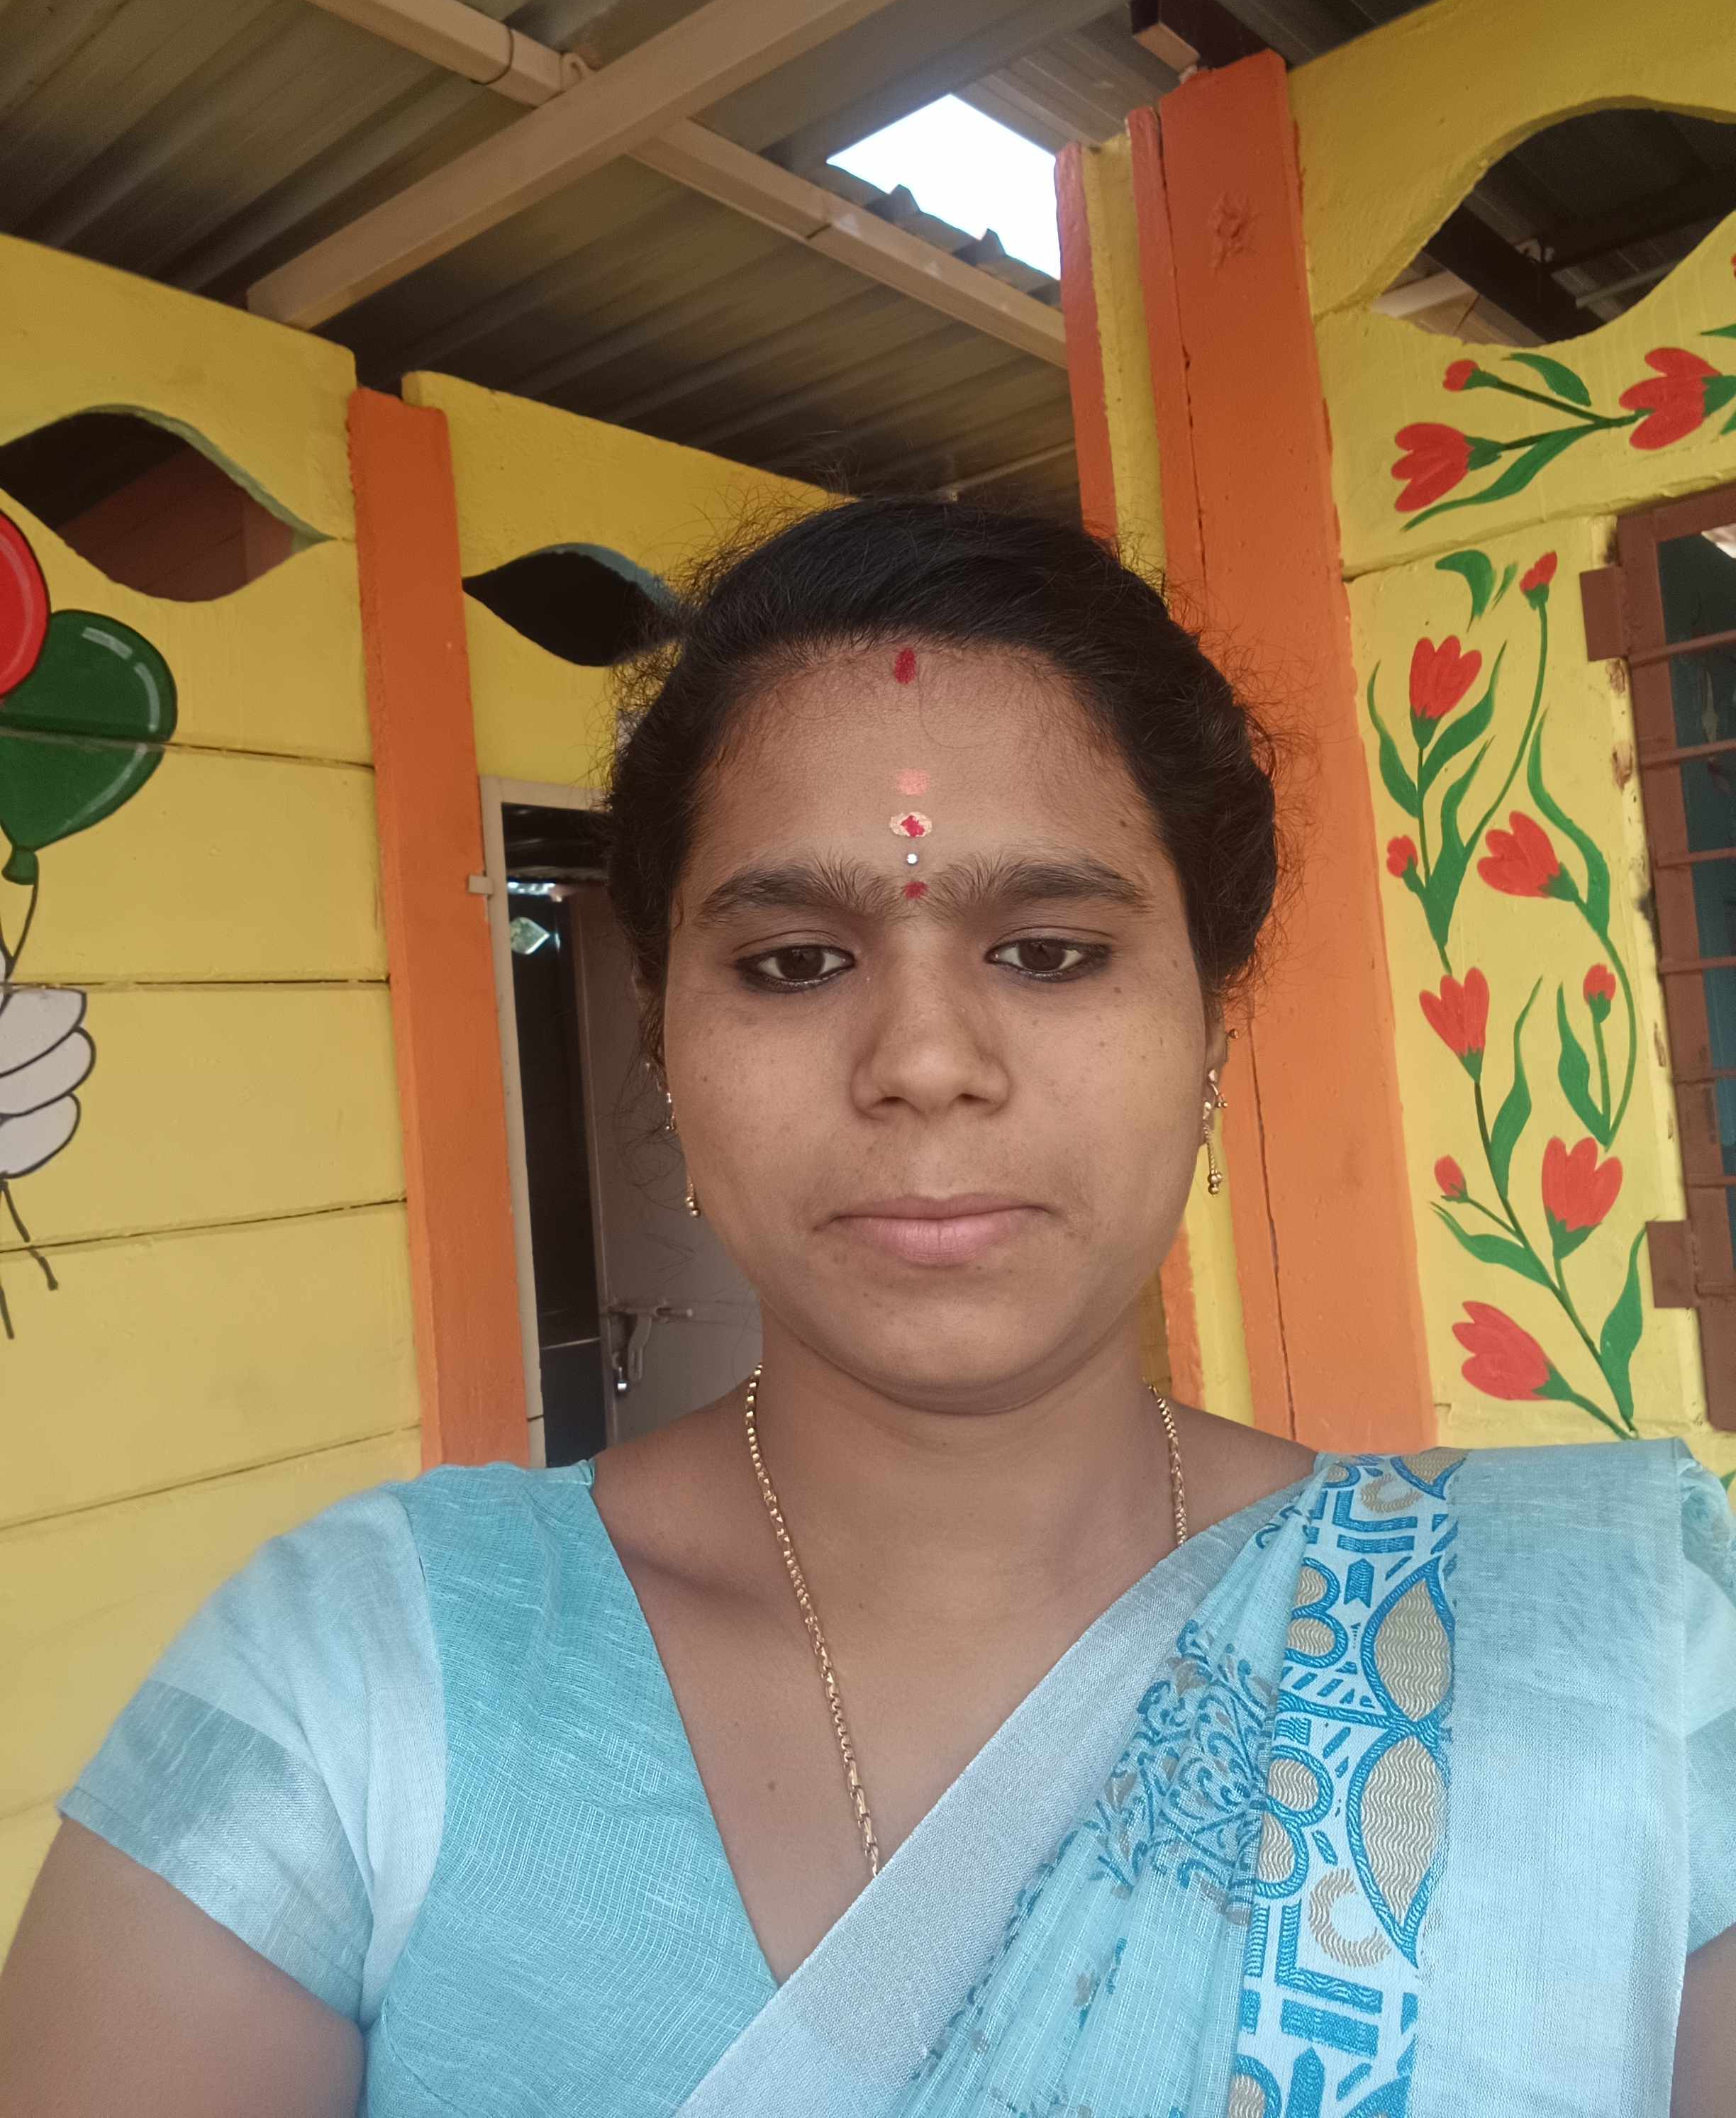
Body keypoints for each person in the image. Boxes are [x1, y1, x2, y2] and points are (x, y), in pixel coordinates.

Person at [1, 498, 1731, 2117]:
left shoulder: (1607, 1667)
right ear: (664, 1037)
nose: (920, 1060)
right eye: (791, 963)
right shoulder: (359, 1684)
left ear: (1214, 1019)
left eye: (1048, 950)